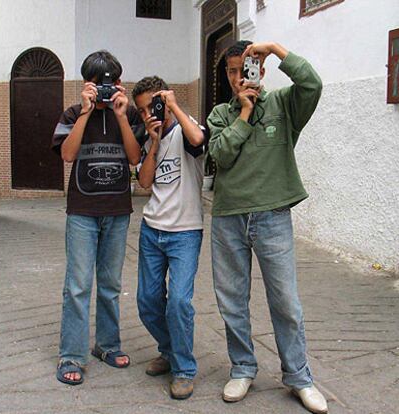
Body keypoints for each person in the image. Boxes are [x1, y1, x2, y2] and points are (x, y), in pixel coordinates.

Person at [207, 41, 328, 414]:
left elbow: (312, 85)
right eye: (231, 69)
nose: (238, 75)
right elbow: (219, 155)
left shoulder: (283, 104)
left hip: (273, 215)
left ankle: (299, 377)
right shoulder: (220, 114)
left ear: (259, 66)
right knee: (232, 301)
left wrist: (277, 50)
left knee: (286, 303)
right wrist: (243, 113)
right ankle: (243, 368)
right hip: (229, 217)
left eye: (246, 66)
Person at [51, 50, 141, 385]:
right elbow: (67, 154)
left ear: (119, 82)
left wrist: (119, 116)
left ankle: (107, 344)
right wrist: (86, 114)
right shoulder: (73, 113)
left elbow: (134, 158)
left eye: (113, 82)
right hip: (82, 211)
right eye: (99, 83)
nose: (107, 89)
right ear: (87, 84)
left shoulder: (128, 113)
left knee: (111, 284)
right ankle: (71, 354)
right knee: (77, 286)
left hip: (117, 210)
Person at [132, 76, 205, 400]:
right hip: (152, 230)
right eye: (143, 109)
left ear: (165, 99)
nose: (150, 113)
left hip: (185, 232)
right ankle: (169, 350)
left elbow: (200, 141)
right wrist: (154, 141)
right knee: (148, 302)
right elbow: (145, 183)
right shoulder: (150, 139)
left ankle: (184, 370)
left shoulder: (188, 128)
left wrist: (174, 107)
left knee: (178, 302)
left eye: (154, 105)